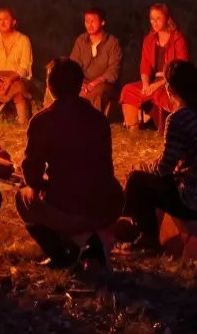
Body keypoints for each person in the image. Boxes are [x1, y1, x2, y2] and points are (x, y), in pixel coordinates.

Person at [120, 61, 197, 251]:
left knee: (137, 180)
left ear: (170, 89)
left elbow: (164, 169)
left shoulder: (179, 118)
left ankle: (147, 238)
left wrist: (142, 167)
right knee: (170, 178)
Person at [15, 58, 124, 268]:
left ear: (50, 87)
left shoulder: (43, 121)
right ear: (80, 85)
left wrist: (43, 185)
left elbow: (31, 173)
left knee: (23, 197)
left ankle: (61, 253)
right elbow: (104, 166)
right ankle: (91, 241)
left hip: (71, 207)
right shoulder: (98, 119)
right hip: (109, 203)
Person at [119, 4, 189, 131]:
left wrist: (158, 84)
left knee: (159, 93)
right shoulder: (149, 39)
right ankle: (133, 127)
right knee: (128, 90)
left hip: (171, 81)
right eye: (152, 19)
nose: (154, 22)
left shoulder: (178, 39)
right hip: (153, 81)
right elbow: (145, 65)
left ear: (167, 18)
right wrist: (146, 84)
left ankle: (164, 127)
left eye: (158, 18)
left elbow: (181, 67)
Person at [0, 7, 34, 123]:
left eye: (6, 19)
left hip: (16, 77)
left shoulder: (23, 40)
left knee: (18, 87)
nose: (2, 22)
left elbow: (25, 66)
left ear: (13, 22)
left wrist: (9, 80)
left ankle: (23, 121)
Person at [63, 8, 122, 114]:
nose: (89, 25)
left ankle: (93, 120)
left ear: (102, 22)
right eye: (87, 21)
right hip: (83, 84)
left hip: (103, 84)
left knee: (98, 93)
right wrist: (78, 83)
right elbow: (73, 65)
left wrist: (93, 84)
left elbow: (113, 72)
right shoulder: (81, 40)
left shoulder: (112, 43)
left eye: (93, 21)